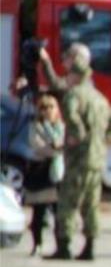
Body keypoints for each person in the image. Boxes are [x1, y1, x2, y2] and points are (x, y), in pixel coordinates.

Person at [39, 43, 111, 261]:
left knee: (68, 201)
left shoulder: (74, 95)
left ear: (74, 75)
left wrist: (77, 135)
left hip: (78, 158)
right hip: (97, 158)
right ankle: (89, 247)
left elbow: (70, 115)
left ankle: (64, 246)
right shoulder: (99, 97)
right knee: (91, 203)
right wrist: (99, 139)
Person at [25, 92, 64, 256]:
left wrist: (58, 148)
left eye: (51, 107)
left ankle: (60, 245)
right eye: (43, 107)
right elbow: (37, 146)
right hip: (40, 171)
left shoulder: (62, 127)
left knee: (59, 212)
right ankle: (37, 244)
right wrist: (55, 149)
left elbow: (66, 144)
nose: (47, 110)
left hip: (57, 173)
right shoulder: (35, 126)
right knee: (38, 212)